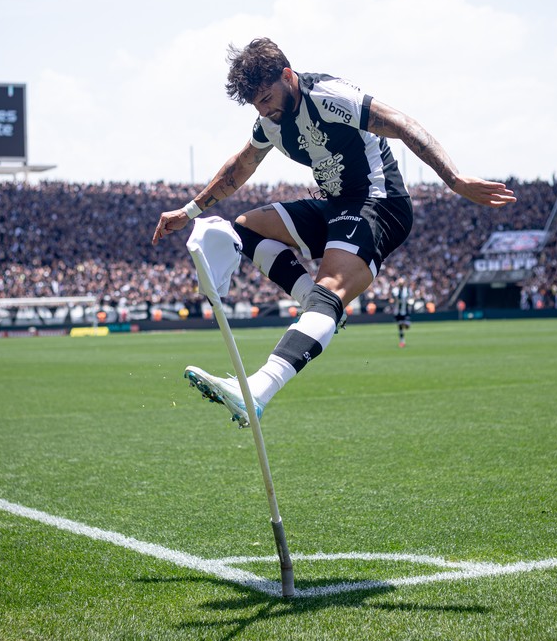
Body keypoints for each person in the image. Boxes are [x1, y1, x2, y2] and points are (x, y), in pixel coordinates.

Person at [152, 37, 516, 426]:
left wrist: (455, 179)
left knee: (330, 291)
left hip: (379, 203)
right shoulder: (270, 124)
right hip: (336, 206)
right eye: (256, 104)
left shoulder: (329, 96)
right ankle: (321, 310)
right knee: (247, 229)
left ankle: (257, 389)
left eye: (267, 98)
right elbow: (239, 167)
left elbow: (402, 124)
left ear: (287, 76)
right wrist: (189, 211)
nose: (264, 109)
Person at [390, 277, 412, 347]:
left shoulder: (407, 290)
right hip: (398, 311)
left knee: (407, 326)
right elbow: (392, 298)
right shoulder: (395, 290)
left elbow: (410, 298)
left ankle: (404, 326)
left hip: (405, 310)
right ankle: (402, 341)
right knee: (400, 327)